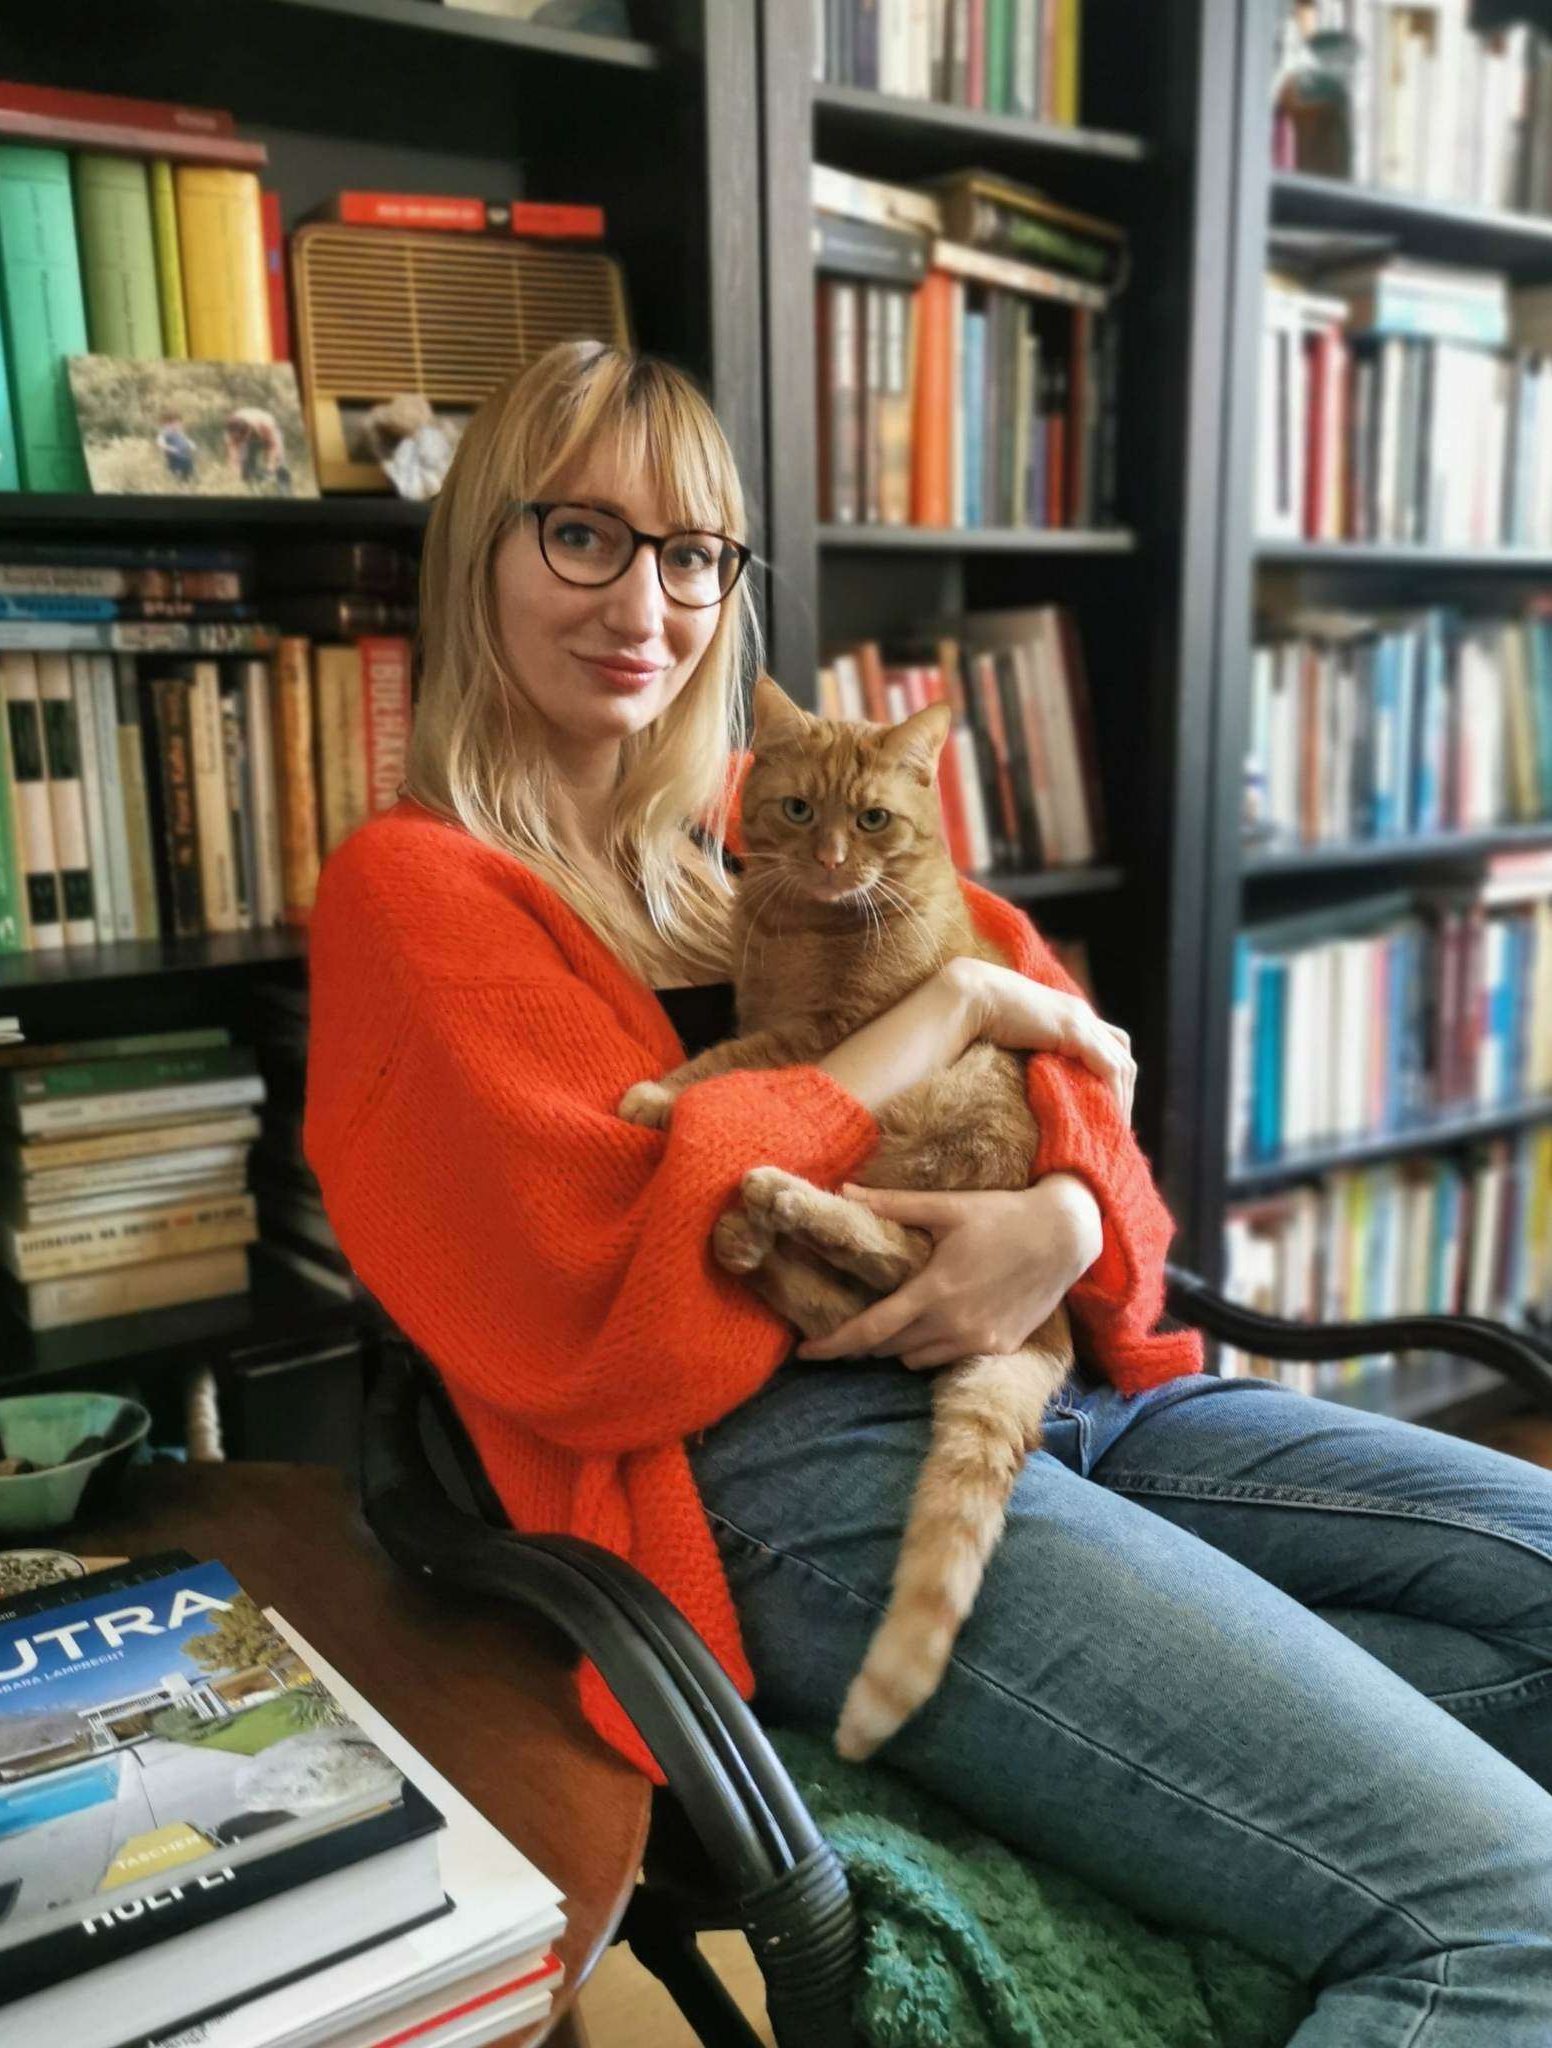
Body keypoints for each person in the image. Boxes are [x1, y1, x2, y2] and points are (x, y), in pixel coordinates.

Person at [304, 341, 1552, 2045]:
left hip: (1055, 1387)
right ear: (482, 557)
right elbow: (625, 1316)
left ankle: (1200, 1805)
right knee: (1510, 1909)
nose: (644, 601)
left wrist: (1069, 1224)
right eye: (581, 534)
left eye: (691, 553)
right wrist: (947, 1009)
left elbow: (1093, 1106)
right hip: (780, 1471)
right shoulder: (416, 893)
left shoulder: (771, 826)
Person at [156, 412, 196, 483]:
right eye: (172, 423)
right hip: (175, 459)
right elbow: (159, 441)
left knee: (188, 475)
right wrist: (167, 447)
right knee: (177, 476)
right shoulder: (165, 433)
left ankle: (187, 484)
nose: (176, 425)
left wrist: (190, 444)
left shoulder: (179, 433)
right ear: (166, 424)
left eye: (178, 423)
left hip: (186, 458)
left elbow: (186, 440)